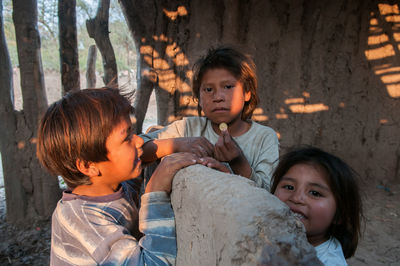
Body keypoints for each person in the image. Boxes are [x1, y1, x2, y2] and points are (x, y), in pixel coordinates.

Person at [37, 87, 201, 265]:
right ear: (88, 165)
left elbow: (142, 154)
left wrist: (177, 144)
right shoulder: (84, 222)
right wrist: (155, 192)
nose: (139, 140)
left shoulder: (114, 184)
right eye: (126, 138)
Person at [141, 46, 279, 190]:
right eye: (208, 90)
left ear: (247, 93)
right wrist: (177, 144)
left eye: (228, 87)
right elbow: (136, 151)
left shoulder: (264, 138)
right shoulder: (188, 128)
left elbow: (268, 195)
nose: (218, 97)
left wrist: (238, 162)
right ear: (199, 99)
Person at [270, 147, 363, 265]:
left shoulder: (327, 262)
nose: (296, 198)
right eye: (289, 187)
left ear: (339, 215)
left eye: (315, 193)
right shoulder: (267, 235)